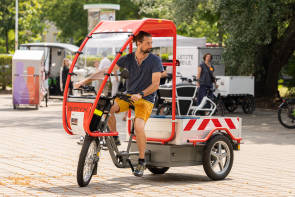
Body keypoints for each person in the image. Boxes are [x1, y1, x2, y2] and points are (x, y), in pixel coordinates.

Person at [75, 31, 163, 177]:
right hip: (128, 96)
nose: (151, 46)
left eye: (151, 43)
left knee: (139, 126)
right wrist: (84, 81)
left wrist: (140, 94)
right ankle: (114, 137)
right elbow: (106, 71)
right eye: (148, 43)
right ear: (138, 43)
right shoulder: (128, 58)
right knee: (107, 108)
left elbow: (155, 85)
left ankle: (141, 161)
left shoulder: (155, 60)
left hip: (145, 98)